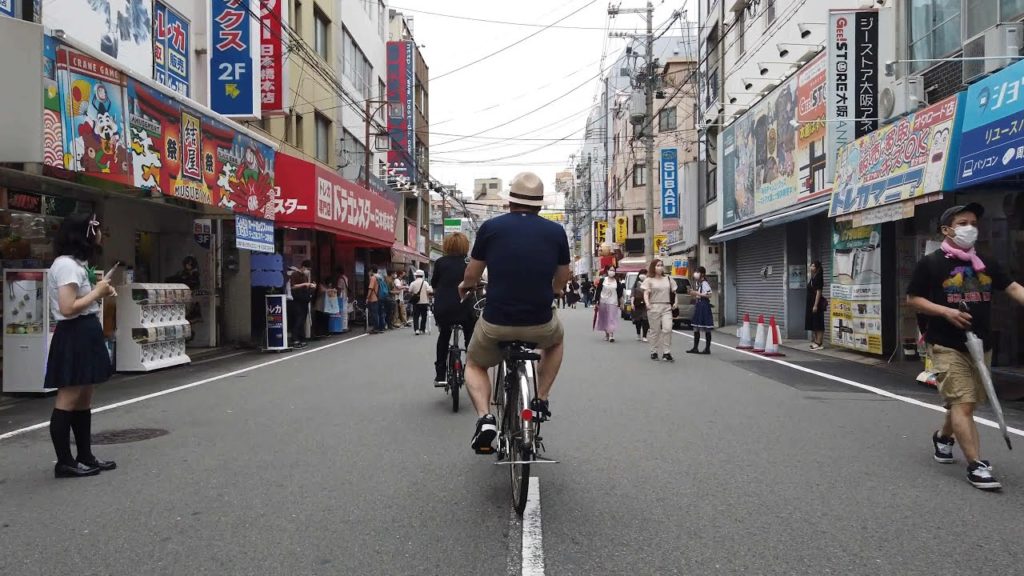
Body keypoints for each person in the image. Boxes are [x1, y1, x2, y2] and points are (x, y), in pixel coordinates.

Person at [907, 203, 1024, 491]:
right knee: (964, 402)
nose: (970, 227)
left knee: (966, 404)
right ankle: (976, 465)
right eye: (962, 222)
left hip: (981, 342)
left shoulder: (985, 262)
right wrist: (946, 312)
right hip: (947, 343)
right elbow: (913, 299)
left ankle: (943, 438)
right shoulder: (931, 263)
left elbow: (1012, 288)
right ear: (947, 229)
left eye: (973, 222)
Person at [457, 172, 570, 454]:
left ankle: (485, 418)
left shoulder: (491, 228)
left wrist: (465, 286)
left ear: (510, 203)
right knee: (556, 342)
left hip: (497, 321)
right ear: (539, 205)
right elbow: (563, 276)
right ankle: (541, 397)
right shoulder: (556, 232)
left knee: (474, 363)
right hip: (540, 321)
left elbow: (473, 273)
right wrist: (555, 290)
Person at [46, 213, 116, 478]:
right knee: (69, 396)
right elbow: (67, 307)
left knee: (85, 395)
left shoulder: (76, 263)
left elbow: (79, 300)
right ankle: (65, 462)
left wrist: (100, 293)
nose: (99, 234)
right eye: (95, 229)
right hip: (74, 331)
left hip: (85, 330)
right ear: (82, 234)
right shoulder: (66, 265)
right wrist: (97, 293)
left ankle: (84, 455)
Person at [431, 233, 477, 385]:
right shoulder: (469, 262)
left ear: (447, 246)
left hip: (443, 307)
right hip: (465, 306)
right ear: (465, 246)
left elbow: (434, 284)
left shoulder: (440, 262)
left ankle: (440, 374)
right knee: (470, 336)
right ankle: (473, 370)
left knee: (444, 335)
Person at [642, 259, 676, 362]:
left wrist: (676, 303)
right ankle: (654, 351)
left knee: (668, 329)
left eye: (661, 265)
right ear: (653, 267)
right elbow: (646, 293)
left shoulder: (668, 279)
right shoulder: (649, 280)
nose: (660, 267)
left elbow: (674, 292)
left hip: (666, 307)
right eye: (658, 265)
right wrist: (647, 304)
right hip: (654, 307)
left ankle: (666, 352)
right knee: (655, 331)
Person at [289, 260, 316, 347]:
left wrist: (311, 287)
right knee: (298, 319)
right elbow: (293, 287)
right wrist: (305, 284)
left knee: (302, 320)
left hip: (304, 300)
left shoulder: (305, 276)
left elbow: (306, 289)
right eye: (308, 269)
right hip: (296, 300)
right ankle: (294, 339)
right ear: (303, 267)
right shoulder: (295, 274)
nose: (308, 271)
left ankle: (301, 338)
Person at [687, 266, 714, 354]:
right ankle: (695, 347)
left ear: (702, 274)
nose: (696, 273)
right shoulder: (699, 283)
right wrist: (694, 294)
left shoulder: (704, 283)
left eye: (697, 272)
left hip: (704, 305)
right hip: (699, 304)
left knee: (706, 327)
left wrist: (697, 293)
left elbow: (709, 294)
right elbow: (700, 294)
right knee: (696, 326)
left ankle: (707, 348)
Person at [594, 265, 623, 342]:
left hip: (613, 302)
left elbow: (620, 294)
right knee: (604, 318)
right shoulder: (603, 280)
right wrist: (596, 301)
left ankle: (611, 335)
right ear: (607, 271)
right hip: (603, 301)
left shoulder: (617, 282)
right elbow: (598, 291)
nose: (612, 272)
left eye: (613, 270)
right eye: (610, 270)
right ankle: (606, 334)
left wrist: (621, 303)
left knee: (611, 318)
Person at [806, 260, 826, 349]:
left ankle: (819, 342)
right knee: (814, 322)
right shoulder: (813, 277)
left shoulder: (819, 277)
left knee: (818, 322)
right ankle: (816, 341)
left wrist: (815, 305)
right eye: (811, 266)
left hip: (815, 302)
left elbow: (819, 292)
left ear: (817, 268)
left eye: (813, 266)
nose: (811, 267)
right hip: (810, 302)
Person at [408, 269, 433, 336]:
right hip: (424, 302)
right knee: (424, 316)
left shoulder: (413, 283)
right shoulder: (425, 283)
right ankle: (422, 329)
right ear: (422, 276)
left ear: (416, 276)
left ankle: (416, 330)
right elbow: (429, 291)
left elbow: (410, 291)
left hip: (416, 302)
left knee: (416, 316)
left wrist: (414, 295)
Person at [632, 272, 649, 342]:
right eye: (642, 274)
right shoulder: (636, 284)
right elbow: (632, 294)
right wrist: (632, 303)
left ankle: (645, 336)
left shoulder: (648, 284)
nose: (643, 276)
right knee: (638, 320)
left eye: (645, 274)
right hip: (637, 304)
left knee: (645, 320)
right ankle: (638, 334)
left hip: (646, 305)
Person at [367, 265, 382, 334]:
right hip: (377, 297)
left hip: (373, 298)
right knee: (376, 313)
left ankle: (375, 328)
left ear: (371, 271)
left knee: (374, 314)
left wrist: (367, 298)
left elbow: (370, 288)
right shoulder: (379, 277)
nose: (368, 273)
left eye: (369, 271)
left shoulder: (373, 278)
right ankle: (378, 327)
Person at [335, 266, 350, 332]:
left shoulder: (340, 279)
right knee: (345, 312)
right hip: (345, 295)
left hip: (341, 296)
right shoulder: (345, 277)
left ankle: (342, 327)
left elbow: (339, 289)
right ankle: (345, 326)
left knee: (341, 312)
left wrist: (337, 295)